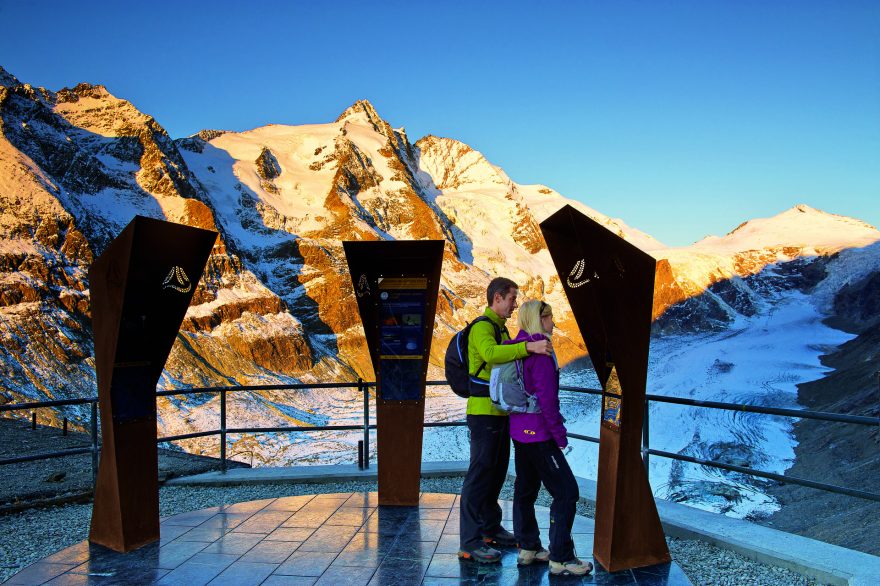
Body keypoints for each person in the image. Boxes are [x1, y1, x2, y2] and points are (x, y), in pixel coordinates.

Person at [458, 278, 552, 564]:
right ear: (497, 298)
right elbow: (490, 354)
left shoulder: (500, 328)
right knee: (479, 475)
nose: (514, 305)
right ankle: (470, 541)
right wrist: (529, 349)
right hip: (483, 413)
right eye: (512, 299)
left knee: (496, 472)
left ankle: (489, 529)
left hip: (500, 412)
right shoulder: (483, 328)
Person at [508, 300, 593, 576]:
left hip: (519, 432)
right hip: (540, 435)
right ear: (538, 319)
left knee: (525, 489)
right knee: (566, 492)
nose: (553, 323)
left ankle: (528, 546)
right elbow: (548, 401)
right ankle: (561, 557)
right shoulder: (541, 354)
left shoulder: (515, 347)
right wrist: (560, 437)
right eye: (549, 318)